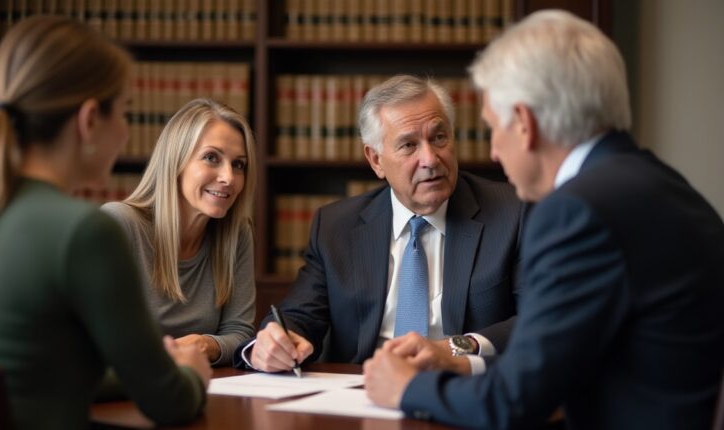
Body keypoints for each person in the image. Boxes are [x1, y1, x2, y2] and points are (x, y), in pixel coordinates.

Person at [363, 10, 724, 430]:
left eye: (493, 128)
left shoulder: (578, 212)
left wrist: (406, 388)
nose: (494, 153)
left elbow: (514, 401)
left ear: (525, 124)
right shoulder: (659, 182)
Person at [0, 16, 210, 430]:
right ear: (90, 119)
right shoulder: (85, 232)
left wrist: (147, 369)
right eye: (125, 112)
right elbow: (171, 403)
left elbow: (44, 374)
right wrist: (192, 373)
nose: (127, 134)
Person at [237, 74, 526, 374]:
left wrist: (456, 348)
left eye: (439, 137)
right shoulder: (336, 227)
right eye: (409, 145)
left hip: (464, 389)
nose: (430, 158)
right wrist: (275, 342)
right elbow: (297, 317)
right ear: (376, 160)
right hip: (362, 394)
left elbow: (540, 317)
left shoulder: (511, 213)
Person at [101, 98, 256, 366]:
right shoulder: (119, 224)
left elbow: (240, 334)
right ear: (176, 162)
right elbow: (95, 341)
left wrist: (207, 345)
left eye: (238, 164)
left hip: (200, 388)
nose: (228, 177)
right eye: (211, 158)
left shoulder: (236, 235)